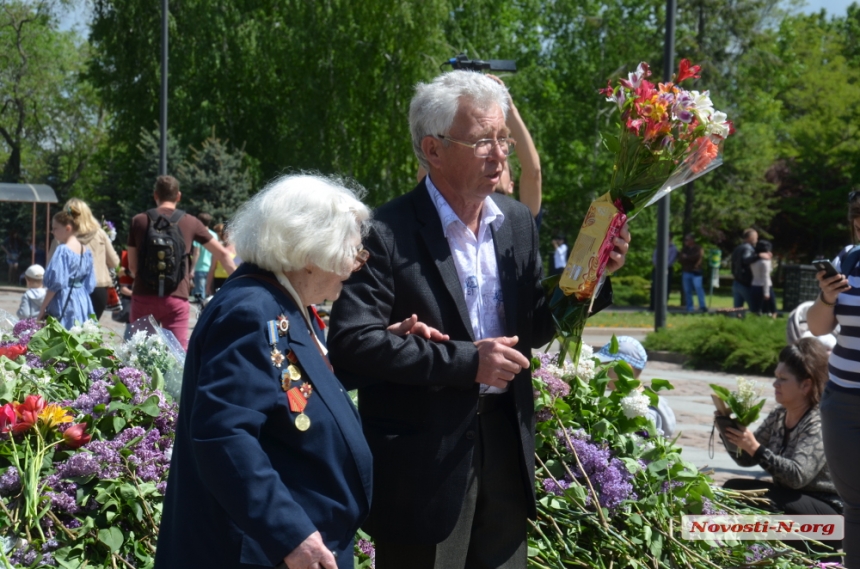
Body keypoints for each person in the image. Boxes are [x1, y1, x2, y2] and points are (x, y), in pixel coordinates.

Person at [328, 70, 630, 568]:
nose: (499, 153)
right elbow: (352, 344)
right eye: (482, 140)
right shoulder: (384, 232)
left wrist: (589, 277)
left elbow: (533, 325)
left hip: (506, 453)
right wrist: (467, 362)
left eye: (502, 138)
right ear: (434, 148)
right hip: (424, 468)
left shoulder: (513, 222)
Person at [155, 174, 373, 569]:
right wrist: (291, 536)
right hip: (267, 553)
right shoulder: (251, 310)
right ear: (310, 252)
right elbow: (224, 434)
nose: (355, 265)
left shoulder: (283, 302)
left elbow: (302, 387)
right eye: (350, 251)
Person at [718, 339, 842, 552]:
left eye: (782, 379)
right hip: (791, 501)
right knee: (733, 490)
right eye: (776, 377)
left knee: (764, 503)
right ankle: (741, 550)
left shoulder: (819, 421)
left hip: (829, 517)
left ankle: (758, 549)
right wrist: (728, 431)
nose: (775, 384)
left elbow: (796, 477)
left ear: (806, 385)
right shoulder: (779, 415)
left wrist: (756, 448)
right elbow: (746, 458)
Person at [806, 188, 860, 568]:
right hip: (843, 399)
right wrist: (826, 297)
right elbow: (817, 327)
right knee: (855, 505)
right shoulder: (849, 259)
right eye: (858, 215)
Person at [416, 73, 543, 227]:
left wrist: (510, 110)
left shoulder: (519, 221)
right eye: (481, 144)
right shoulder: (442, 213)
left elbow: (533, 172)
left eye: (504, 169)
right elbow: (432, 167)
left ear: (511, 185)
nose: (497, 159)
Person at [127, 175, 236, 350]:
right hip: (176, 298)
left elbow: (132, 267)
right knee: (177, 356)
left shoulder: (138, 221)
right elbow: (223, 254)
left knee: (141, 355)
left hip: (143, 296)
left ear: (155, 195)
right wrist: (242, 280)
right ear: (178, 196)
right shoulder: (191, 222)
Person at [48, 199, 120, 320]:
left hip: (70, 290)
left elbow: (51, 268)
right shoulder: (100, 234)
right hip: (98, 288)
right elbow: (114, 262)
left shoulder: (60, 237)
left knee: (69, 331)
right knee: (91, 332)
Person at [594, 336, 676, 437]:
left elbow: (641, 447)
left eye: (606, 368)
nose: (602, 374)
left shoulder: (642, 411)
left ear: (624, 368)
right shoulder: (622, 400)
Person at [37, 207, 95, 329]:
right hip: (82, 300)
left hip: (63, 299)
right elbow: (89, 283)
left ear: (67, 228)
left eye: (55, 228)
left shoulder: (63, 250)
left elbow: (56, 284)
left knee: (62, 337)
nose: (52, 231)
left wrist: (42, 309)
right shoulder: (86, 251)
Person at [731, 228, 772, 309]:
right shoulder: (748, 248)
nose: (757, 240)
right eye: (756, 238)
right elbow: (746, 259)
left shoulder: (738, 248)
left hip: (736, 282)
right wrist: (758, 256)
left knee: (737, 311)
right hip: (745, 284)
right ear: (751, 238)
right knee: (755, 309)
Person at [206, 223, 238, 295]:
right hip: (219, 280)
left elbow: (238, 265)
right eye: (226, 234)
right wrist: (208, 285)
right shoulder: (219, 249)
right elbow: (212, 269)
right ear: (223, 235)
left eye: (230, 234)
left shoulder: (239, 250)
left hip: (233, 280)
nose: (228, 236)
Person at [678, 233, 707, 313]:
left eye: (687, 240)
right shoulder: (684, 249)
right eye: (685, 240)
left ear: (692, 240)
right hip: (686, 272)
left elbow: (696, 257)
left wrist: (686, 257)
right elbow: (680, 259)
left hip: (696, 272)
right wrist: (686, 258)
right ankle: (689, 307)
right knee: (687, 290)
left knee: (698, 288)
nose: (685, 241)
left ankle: (702, 306)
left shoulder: (698, 248)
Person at [190, 212, 217, 297]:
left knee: (199, 294)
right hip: (211, 268)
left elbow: (196, 253)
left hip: (200, 267)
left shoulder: (198, 235)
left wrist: (192, 269)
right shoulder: (214, 235)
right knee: (208, 293)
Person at [649, 240, 678, 310]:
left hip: (667, 269)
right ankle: (653, 306)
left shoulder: (673, 249)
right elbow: (654, 257)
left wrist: (663, 266)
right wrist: (658, 265)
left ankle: (662, 307)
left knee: (665, 288)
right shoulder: (659, 247)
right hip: (657, 269)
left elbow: (671, 260)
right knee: (654, 287)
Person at [750, 239, 776, 315]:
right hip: (765, 286)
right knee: (772, 309)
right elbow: (766, 277)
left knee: (756, 310)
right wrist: (766, 292)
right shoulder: (765, 262)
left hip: (754, 285)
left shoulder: (753, 261)